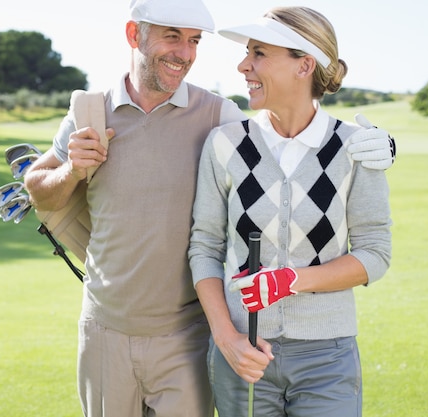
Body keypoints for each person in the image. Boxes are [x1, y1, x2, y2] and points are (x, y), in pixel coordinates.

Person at [24, 0, 395, 416]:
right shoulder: (93, 113)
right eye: (172, 37)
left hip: (194, 336)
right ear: (134, 36)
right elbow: (39, 191)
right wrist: (72, 169)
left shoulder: (219, 116)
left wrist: (383, 147)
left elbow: (292, 135)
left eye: (194, 41)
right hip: (112, 330)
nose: (185, 53)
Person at [188, 6, 392, 417]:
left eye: (259, 53)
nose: (243, 65)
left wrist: (292, 280)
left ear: (304, 65)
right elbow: (205, 248)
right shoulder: (225, 143)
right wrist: (227, 338)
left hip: (327, 359)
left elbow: (374, 254)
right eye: (248, 53)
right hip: (243, 354)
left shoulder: (357, 148)